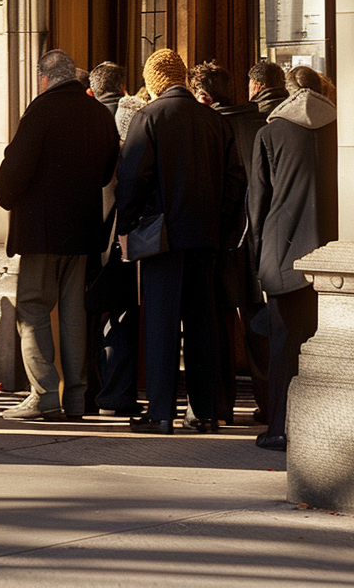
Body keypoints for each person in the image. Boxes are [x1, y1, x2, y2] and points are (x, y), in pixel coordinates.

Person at [116, 49, 246, 435]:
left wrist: (127, 226)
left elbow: (132, 179)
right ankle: (204, 412)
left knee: (161, 323)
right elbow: (235, 183)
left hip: (161, 238)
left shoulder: (149, 117)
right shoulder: (214, 121)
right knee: (202, 323)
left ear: (154, 82)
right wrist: (220, 228)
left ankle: (160, 411)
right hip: (204, 236)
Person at [0, 49, 120, 421]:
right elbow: (104, 173)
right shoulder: (97, 112)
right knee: (73, 313)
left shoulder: (40, 110)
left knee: (32, 309)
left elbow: (14, 173)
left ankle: (45, 395)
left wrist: (7, 194)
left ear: (44, 78)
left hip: (41, 231)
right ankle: (77, 397)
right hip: (82, 229)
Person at [248, 64, 338, 450]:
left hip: (284, 253)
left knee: (284, 346)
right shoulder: (342, 128)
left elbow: (258, 204)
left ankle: (280, 427)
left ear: (287, 92)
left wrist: (256, 257)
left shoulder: (271, 132)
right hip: (336, 255)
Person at [189, 60, 269, 426]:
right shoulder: (262, 123)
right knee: (260, 326)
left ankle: (219, 406)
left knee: (217, 327)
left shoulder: (211, 128)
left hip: (224, 240)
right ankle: (270, 405)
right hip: (261, 238)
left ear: (202, 95)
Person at [86, 61, 142, 416]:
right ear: (123, 87)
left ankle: (91, 390)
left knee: (89, 316)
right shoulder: (134, 117)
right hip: (125, 231)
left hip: (90, 232)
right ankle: (117, 393)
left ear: (92, 90)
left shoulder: (85, 121)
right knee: (122, 315)